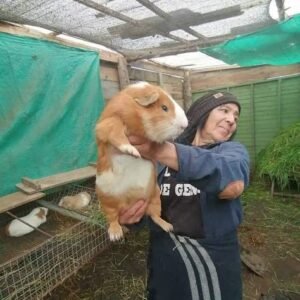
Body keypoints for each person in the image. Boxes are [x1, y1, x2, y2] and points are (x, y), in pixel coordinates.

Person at [119, 91, 250, 300]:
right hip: (164, 262)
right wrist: (130, 218)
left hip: (209, 265)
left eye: (235, 116)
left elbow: (231, 185)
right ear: (202, 114)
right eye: (224, 110)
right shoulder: (165, 158)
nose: (231, 119)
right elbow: (149, 205)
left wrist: (158, 150)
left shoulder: (231, 151)